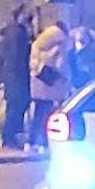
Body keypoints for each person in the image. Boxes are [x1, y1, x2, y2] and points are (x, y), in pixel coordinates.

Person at [28, 20, 72, 151]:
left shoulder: (37, 44)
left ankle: (32, 141)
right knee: (50, 114)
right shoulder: (60, 44)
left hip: (38, 82)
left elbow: (33, 64)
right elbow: (61, 64)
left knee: (38, 112)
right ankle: (45, 142)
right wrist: (67, 77)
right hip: (53, 84)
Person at [0, 6, 33, 150]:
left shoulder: (13, 32)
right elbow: (18, 56)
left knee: (15, 107)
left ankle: (10, 137)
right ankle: (10, 137)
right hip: (16, 76)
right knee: (16, 107)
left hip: (11, 75)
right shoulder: (18, 33)